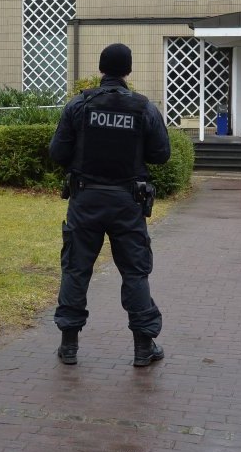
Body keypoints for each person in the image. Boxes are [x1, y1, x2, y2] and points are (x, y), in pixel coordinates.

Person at [49, 42, 171, 367]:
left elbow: (57, 152)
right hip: (127, 202)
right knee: (135, 272)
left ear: (101, 68)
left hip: (85, 199)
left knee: (76, 269)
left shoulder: (79, 105)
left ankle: (69, 346)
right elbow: (161, 155)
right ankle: (144, 347)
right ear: (128, 71)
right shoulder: (144, 108)